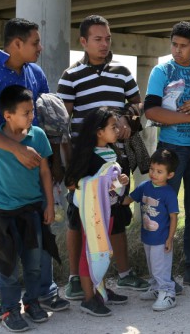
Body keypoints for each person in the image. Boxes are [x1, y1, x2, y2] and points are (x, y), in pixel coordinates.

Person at [0, 17, 69, 320]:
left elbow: (45, 117)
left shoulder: (34, 72)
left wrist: (53, 160)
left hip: (35, 163)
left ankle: (41, 292)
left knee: (40, 224)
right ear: (17, 44)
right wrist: (16, 149)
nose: (40, 48)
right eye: (35, 42)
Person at [57, 15, 149, 300]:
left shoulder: (122, 72)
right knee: (78, 219)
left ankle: (123, 274)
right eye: (97, 39)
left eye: (107, 38)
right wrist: (68, 163)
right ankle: (76, 279)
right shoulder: (70, 76)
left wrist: (126, 117)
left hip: (115, 157)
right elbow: (62, 120)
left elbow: (138, 105)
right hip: (84, 160)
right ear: (83, 42)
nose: (104, 43)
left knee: (116, 215)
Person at [0, 85, 55, 332]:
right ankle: (10, 309)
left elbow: (45, 171)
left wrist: (49, 204)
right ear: (8, 115)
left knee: (33, 264)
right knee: (8, 266)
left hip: (32, 212)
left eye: (32, 112)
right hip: (3, 214)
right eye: (26, 112)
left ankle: (31, 302)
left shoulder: (38, 136)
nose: (31, 117)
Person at [144, 21, 190, 291]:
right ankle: (162, 275)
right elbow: (151, 111)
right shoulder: (161, 71)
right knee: (162, 210)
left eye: (183, 46)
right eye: (174, 44)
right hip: (170, 151)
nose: (177, 50)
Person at [64, 107, 130, 316]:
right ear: (98, 131)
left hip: (107, 211)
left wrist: (120, 181)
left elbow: (111, 180)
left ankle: (99, 289)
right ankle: (88, 298)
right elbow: (72, 183)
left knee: (102, 250)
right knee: (90, 252)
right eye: (113, 126)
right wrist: (103, 183)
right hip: (91, 215)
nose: (118, 129)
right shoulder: (87, 155)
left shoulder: (112, 151)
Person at [123, 150, 180, 310]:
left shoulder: (168, 193)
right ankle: (156, 289)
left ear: (169, 175)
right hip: (147, 237)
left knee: (160, 267)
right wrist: (113, 192)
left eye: (159, 171)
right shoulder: (144, 186)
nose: (154, 174)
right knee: (152, 266)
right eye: (152, 169)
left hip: (162, 239)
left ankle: (168, 293)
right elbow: (128, 199)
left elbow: (174, 217)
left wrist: (170, 238)